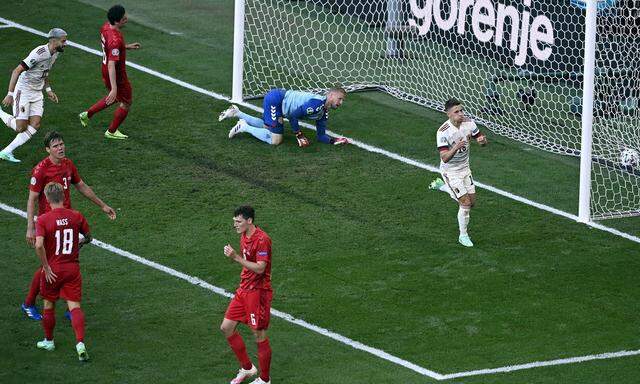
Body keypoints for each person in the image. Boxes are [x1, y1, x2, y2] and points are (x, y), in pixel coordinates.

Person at [21, 131, 116, 321]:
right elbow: (32, 199)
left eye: (62, 144)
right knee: (48, 265)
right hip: (49, 225)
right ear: (48, 149)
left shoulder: (68, 164)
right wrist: (30, 227)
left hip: (67, 223)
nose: (60, 148)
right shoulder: (41, 170)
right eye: (55, 146)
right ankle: (29, 303)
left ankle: (70, 305)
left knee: (67, 264)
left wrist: (102, 205)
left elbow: (81, 186)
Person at [34, 182, 92, 361]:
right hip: (72, 268)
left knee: (49, 304)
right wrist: (78, 243)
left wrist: (45, 266)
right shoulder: (76, 216)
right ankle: (80, 343)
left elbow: (39, 245)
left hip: (53, 269)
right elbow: (88, 237)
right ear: (64, 197)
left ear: (47, 199)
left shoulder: (43, 219)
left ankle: (49, 341)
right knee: (74, 306)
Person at [220, 206, 273, 384]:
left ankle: (265, 380)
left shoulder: (262, 240)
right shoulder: (244, 236)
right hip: (243, 290)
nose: (235, 225)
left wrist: (235, 257)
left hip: (257, 294)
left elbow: (260, 268)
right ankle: (248, 368)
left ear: (249, 221)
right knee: (226, 327)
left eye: (239, 221)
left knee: (259, 335)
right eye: (234, 221)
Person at [0, 28, 67, 163]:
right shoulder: (39, 53)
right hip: (23, 90)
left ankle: (6, 151)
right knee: (21, 128)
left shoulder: (55, 53)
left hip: (37, 92)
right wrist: (10, 94)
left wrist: (48, 90)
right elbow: (16, 71)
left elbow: (45, 72)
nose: (66, 44)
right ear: (54, 41)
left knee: (35, 125)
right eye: (63, 41)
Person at [428, 98, 487, 247]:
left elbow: (480, 139)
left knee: (472, 203)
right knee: (465, 203)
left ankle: (442, 186)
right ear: (448, 114)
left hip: (465, 169)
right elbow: (445, 158)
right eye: (456, 112)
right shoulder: (443, 132)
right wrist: (456, 147)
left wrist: (482, 141)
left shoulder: (469, 123)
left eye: (461, 110)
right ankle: (463, 235)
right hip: (451, 172)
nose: (460, 114)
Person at [78, 4, 141, 140]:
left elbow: (111, 48)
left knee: (117, 97)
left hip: (105, 68)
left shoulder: (106, 26)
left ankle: (87, 114)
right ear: (117, 21)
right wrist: (114, 87)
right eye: (124, 18)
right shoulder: (115, 40)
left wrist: (125, 47)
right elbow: (113, 63)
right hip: (116, 74)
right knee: (126, 102)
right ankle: (111, 131)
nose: (126, 19)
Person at [218, 88, 349, 147]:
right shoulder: (315, 105)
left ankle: (236, 113)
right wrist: (299, 134)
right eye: (340, 99)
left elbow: (321, 136)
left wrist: (333, 141)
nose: (341, 103)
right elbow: (293, 116)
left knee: (267, 126)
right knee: (276, 140)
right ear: (331, 95)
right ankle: (244, 126)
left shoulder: (323, 112)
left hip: (281, 100)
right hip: (276, 100)